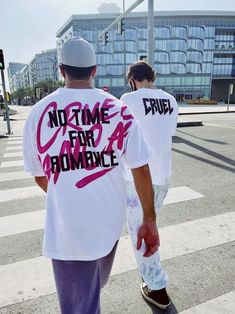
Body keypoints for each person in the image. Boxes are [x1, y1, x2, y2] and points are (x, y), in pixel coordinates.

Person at [23, 38, 160, 314]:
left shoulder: (39, 114)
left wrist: (68, 192)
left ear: (61, 70)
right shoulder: (119, 110)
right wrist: (149, 219)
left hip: (69, 233)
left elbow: (40, 176)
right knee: (92, 290)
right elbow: (141, 169)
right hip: (108, 226)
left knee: (81, 305)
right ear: (94, 70)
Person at [120, 61, 178, 309]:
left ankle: (157, 288)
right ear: (151, 77)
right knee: (149, 225)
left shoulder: (128, 100)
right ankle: (151, 278)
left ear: (132, 80)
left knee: (141, 234)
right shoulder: (171, 101)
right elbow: (165, 133)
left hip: (138, 180)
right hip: (163, 178)